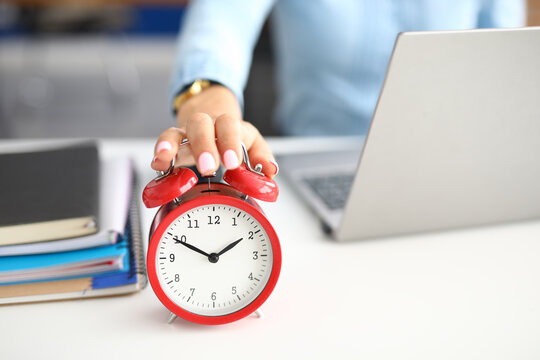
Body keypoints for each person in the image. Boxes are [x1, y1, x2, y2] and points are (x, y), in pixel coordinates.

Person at [151, 0, 524, 178]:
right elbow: (220, 25)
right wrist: (212, 108)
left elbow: (507, 62)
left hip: (450, 165)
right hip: (315, 158)